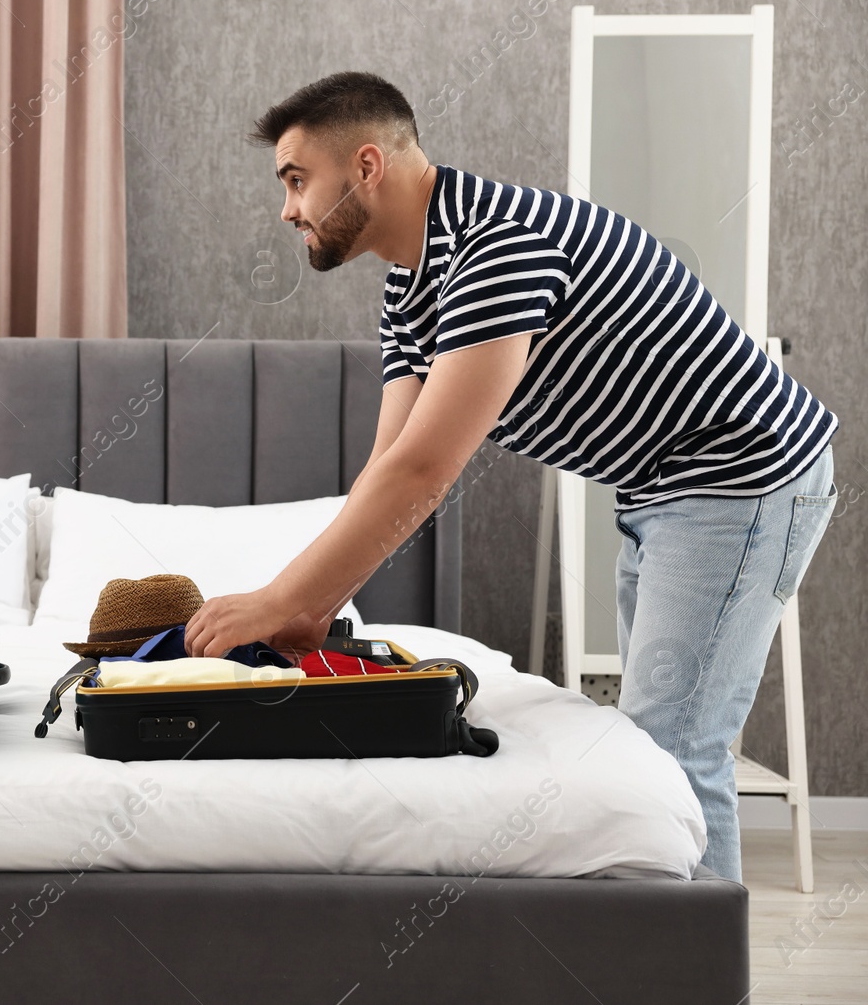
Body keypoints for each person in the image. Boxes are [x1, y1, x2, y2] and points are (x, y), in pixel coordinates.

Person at [183, 71, 839, 882]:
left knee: (673, 756)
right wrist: (312, 608)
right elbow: (389, 471)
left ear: (364, 167)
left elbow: (427, 469)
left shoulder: (497, 244)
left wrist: (288, 599)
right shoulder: (409, 287)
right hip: (663, 490)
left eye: (295, 179)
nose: (287, 209)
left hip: (742, 475)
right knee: (654, 752)